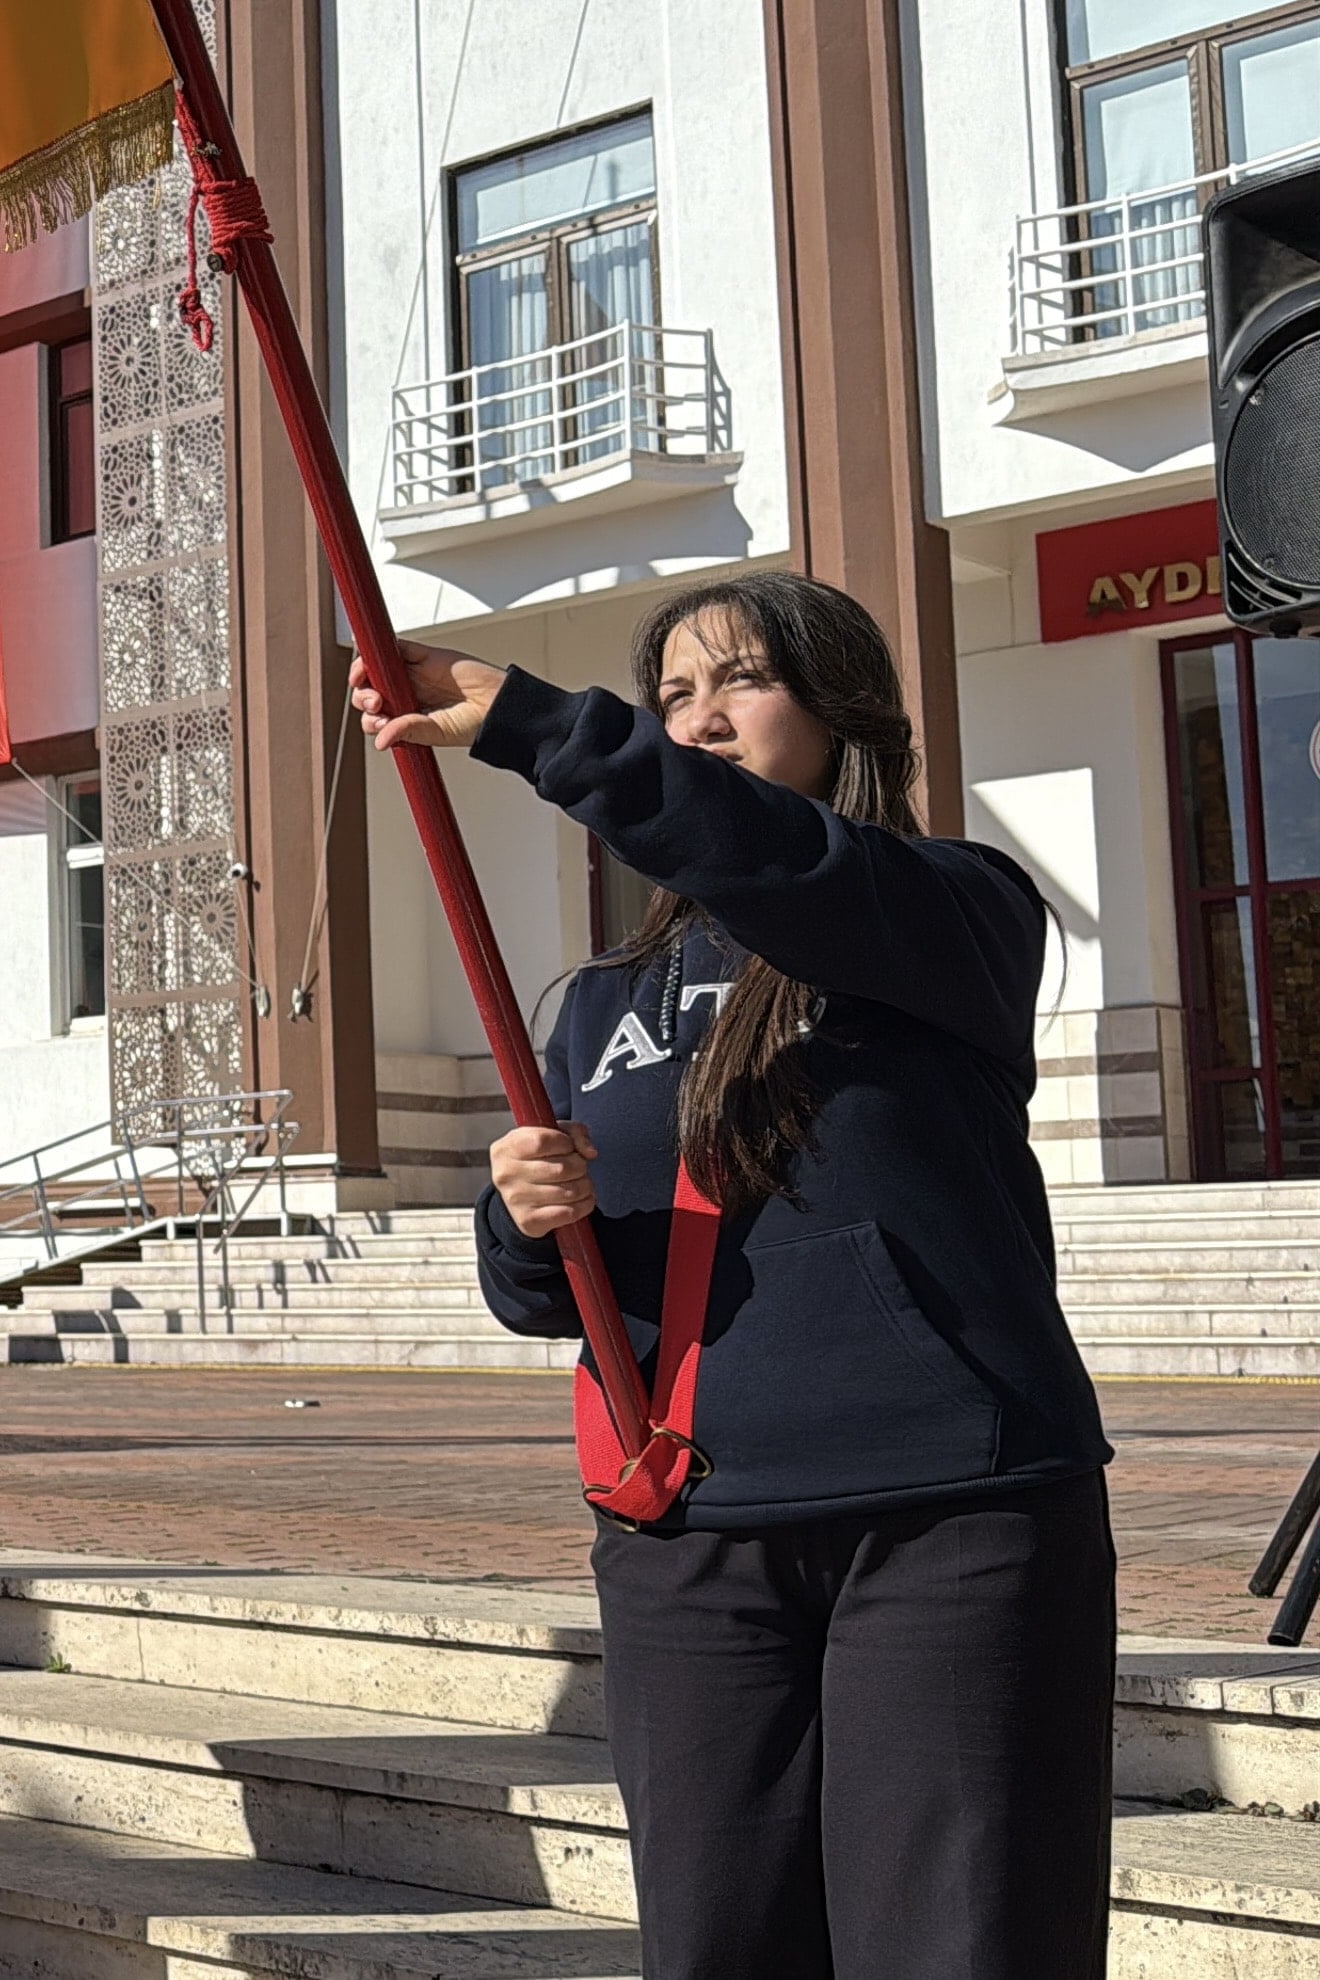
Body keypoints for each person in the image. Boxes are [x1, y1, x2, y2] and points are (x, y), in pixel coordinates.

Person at [363, 570, 1114, 1979]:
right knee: (716, 1942)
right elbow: (563, 1295)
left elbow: (780, 864)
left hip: (948, 1519)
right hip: (690, 1531)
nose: (698, 719)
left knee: (960, 1941)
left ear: (841, 708)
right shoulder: (605, 997)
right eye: (671, 697)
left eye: (741, 681)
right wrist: (521, 1223)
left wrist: (543, 727)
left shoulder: (949, 909)